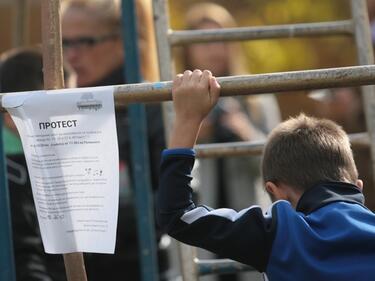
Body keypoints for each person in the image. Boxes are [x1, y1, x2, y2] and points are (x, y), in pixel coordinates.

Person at [157, 69, 375, 281]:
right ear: (358, 186)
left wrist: (188, 119)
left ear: (275, 192)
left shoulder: (282, 233)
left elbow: (178, 215)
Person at [61, 0, 167, 280]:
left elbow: (175, 200)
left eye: (83, 42)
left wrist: (91, 216)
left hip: (138, 267)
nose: (69, 56)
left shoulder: (152, 106)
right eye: (63, 43)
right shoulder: (54, 105)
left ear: (122, 42)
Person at [0, 47, 74, 281]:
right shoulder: (14, 174)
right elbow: (21, 253)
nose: (70, 119)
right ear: (14, 116)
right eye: (61, 109)